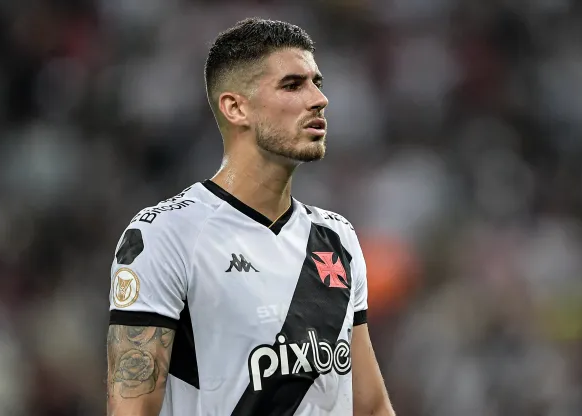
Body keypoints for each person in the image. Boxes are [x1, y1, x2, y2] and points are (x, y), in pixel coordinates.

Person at [106, 17, 395, 416]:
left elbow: (372, 407)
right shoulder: (167, 234)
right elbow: (131, 410)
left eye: (317, 83)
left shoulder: (337, 238)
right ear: (236, 107)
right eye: (293, 85)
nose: (319, 99)